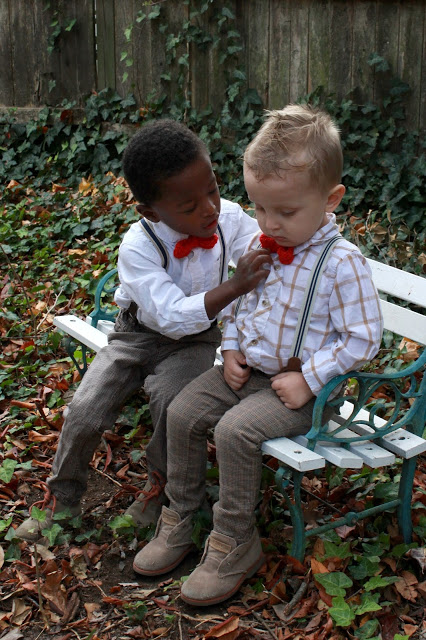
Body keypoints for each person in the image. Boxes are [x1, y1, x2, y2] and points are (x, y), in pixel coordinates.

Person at [132, 104, 384, 606]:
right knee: (182, 411)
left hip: (306, 392)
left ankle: (234, 541)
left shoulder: (341, 265)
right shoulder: (264, 245)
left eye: (285, 212)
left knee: (234, 431)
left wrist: (311, 378)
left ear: (331, 199)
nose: (267, 223)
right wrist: (230, 350)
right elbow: (241, 309)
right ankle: (181, 516)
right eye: (259, 208)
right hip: (249, 373)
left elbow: (362, 338)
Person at [15, 119, 272, 542]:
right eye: (189, 206)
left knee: (174, 403)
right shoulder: (138, 245)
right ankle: (62, 498)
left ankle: (159, 489)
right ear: (151, 212)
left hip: (195, 342)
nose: (208, 208)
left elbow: (264, 243)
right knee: (86, 408)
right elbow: (169, 314)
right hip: (136, 335)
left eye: (212, 188)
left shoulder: (227, 219)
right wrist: (235, 285)